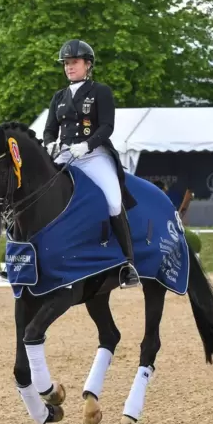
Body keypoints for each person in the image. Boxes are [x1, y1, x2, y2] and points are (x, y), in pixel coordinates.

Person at [42, 39, 139, 289]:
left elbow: (107, 126)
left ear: (87, 64)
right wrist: (51, 144)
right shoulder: (59, 97)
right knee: (37, 191)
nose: (69, 67)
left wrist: (87, 144)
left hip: (93, 155)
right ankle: (27, 256)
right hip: (65, 154)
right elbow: (49, 129)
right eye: (66, 63)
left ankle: (128, 265)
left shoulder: (100, 91)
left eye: (74, 62)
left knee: (113, 201)